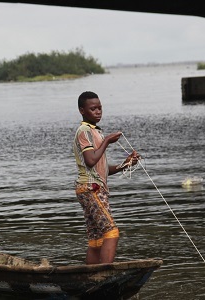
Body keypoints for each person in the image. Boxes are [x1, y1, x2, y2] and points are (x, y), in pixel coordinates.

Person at [73, 91, 140, 265]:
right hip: (90, 188)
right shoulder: (84, 131)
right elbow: (90, 161)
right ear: (82, 110)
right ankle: (104, 276)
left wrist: (126, 164)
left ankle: (89, 279)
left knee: (97, 240)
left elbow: (102, 169)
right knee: (111, 232)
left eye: (100, 108)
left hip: (91, 187)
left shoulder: (95, 132)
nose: (98, 112)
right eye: (93, 109)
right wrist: (107, 140)